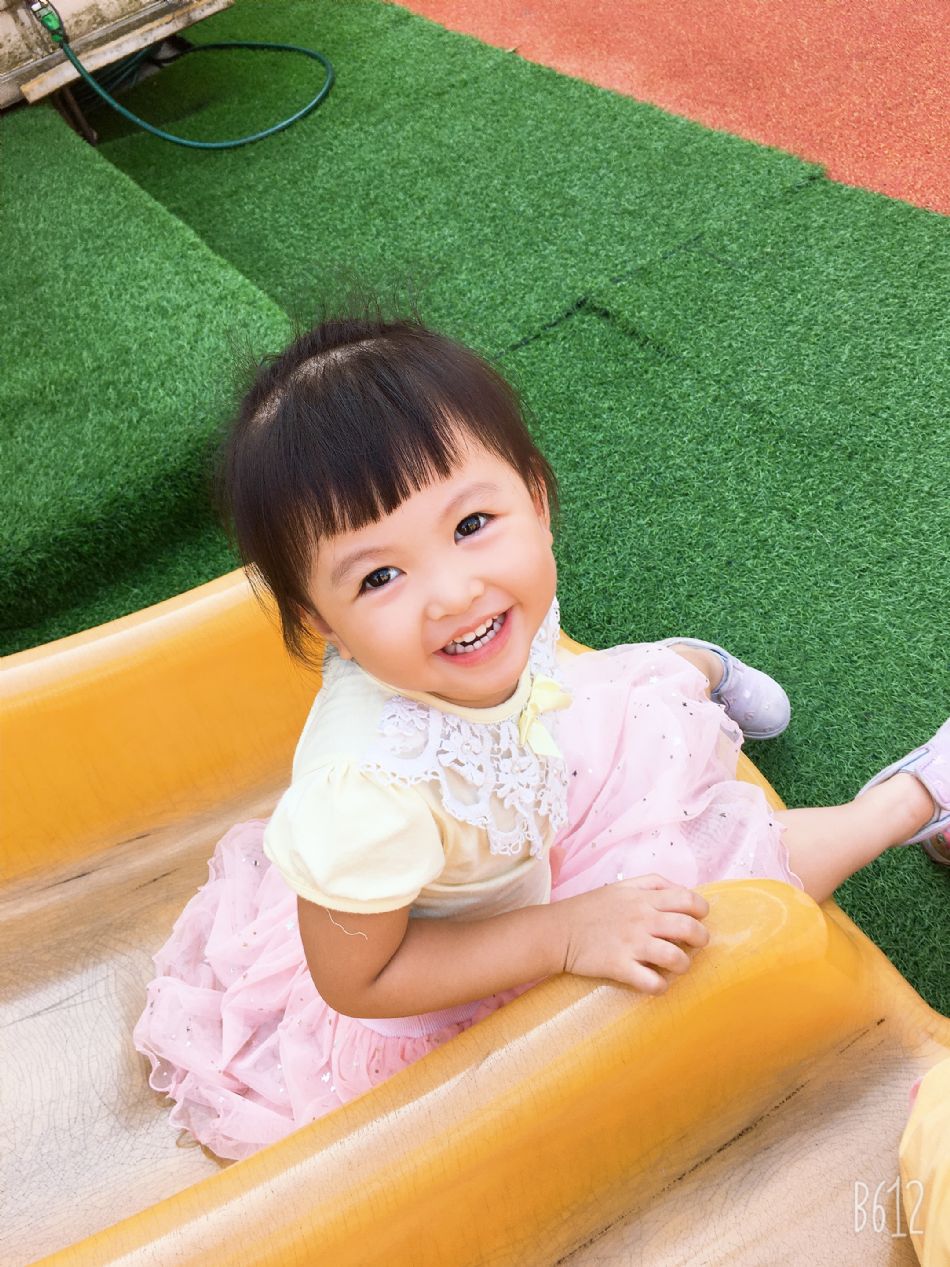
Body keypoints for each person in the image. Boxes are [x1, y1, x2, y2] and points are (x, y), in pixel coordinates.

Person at [134, 309, 949, 1162]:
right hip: (469, 959)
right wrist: (565, 933)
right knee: (713, 894)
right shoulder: (366, 797)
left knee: (619, 698)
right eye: (380, 575)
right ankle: (913, 795)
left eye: (470, 525)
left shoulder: (480, 627)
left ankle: (690, 667)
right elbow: (359, 977)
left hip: (534, 796)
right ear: (321, 621)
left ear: (534, 497)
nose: (453, 591)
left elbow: (541, 676)